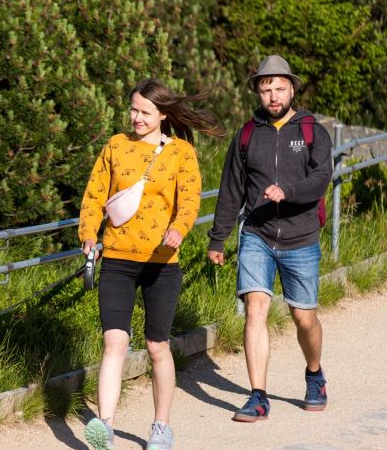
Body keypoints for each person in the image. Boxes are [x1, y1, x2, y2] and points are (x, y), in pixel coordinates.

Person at [79, 78, 223, 450]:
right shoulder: (116, 145)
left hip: (162, 262)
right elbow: (94, 195)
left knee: (157, 345)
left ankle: (161, 426)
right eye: (133, 109)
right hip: (117, 260)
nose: (136, 118)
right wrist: (88, 235)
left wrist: (178, 229)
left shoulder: (180, 152)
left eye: (145, 112)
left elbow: (190, 201)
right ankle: (105, 427)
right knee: (114, 341)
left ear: (162, 114)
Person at [206, 55, 332, 422]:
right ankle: (258, 396)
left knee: (303, 318)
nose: (273, 96)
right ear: (257, 93)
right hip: (257, 235)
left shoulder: (312, 131)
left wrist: (288, 191)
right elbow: (231, 190)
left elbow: (321, 179)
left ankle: (314, 374)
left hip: (301, 237)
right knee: (255, 310)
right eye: (266, 89)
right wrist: (218, 240)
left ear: (292, 88)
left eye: (279, 88)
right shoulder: (247, 135)